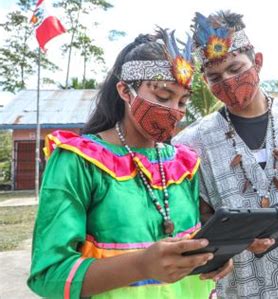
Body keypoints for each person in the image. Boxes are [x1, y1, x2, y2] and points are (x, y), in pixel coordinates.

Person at [27, 30, 232, 299]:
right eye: (162, 96)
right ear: (125, 90)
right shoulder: (78, 161)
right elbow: (48, 275)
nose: (174, 110)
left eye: (182, 101)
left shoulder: (184, 164)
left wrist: (211, 258)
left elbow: (189, 247)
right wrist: (140, 265)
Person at [173, 11, 278, 298]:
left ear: (258, 62)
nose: (227, 81)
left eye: (236, 68)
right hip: (243, 286)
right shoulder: (191, 142)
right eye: (215, 76)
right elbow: (200, 216)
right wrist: (234, 240)